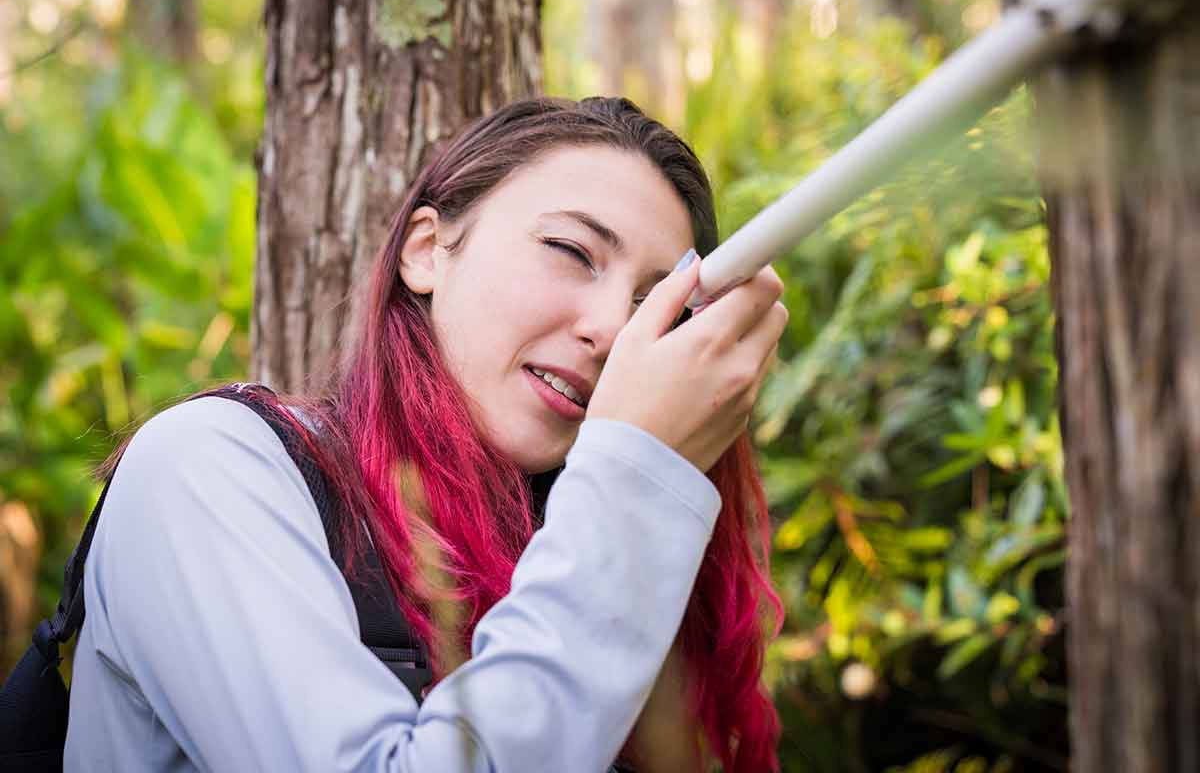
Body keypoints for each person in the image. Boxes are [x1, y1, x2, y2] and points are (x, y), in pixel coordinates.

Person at [64, 97, 787, 772]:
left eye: (649, 303)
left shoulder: (565, 532)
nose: (609, 330)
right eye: (571, 250)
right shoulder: (207, 470)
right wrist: (638, 475)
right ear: (427, 249)